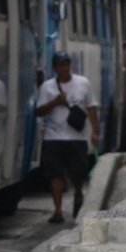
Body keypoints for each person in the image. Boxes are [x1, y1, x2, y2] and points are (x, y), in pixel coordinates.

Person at [35, 51, 100, 223]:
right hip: (53, 137)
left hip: (77, 138)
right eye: (61, 65)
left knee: (78, 175)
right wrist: (54, 102)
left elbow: (92, 107)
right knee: (56, 175)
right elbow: (39, 111)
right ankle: (58, 211)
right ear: (55, 68)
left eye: (67, 64)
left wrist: (95, 131)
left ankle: (78, 194)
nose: (65, 68)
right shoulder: (47, 87)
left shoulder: (83, 83)